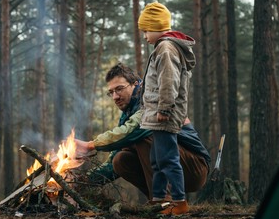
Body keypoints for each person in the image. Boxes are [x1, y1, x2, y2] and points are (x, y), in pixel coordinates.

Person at [75, 63, 210, 208]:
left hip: (194, 168)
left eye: (119, 89)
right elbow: (111, 163)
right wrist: (80, 181)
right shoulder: (128, 113)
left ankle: (166, 200)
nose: (115, 96)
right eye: (111, 92)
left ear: (136, 84)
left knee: (143, 136)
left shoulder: (151, 99)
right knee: (120, 160)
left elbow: (133, 131)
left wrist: (90, 145)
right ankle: (157, 202)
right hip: (173, 169)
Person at [138, 1, 197, 215]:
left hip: (164, 115)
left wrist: (164, 109)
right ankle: (159, 199)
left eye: (146, 31)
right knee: (157, 159)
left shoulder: (165, 48)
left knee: (168, 159)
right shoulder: (163, 47)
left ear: (156, 27)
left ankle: (179, 203)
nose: (145, 36)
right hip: (158, 114)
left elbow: (168, 81)